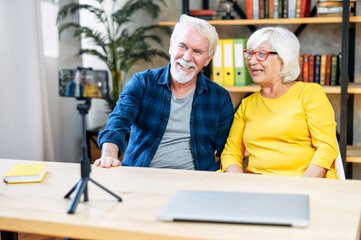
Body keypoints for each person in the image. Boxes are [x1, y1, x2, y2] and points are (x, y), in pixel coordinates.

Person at [94, 14, 234, 171]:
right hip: (142, 175)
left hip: (197, 181)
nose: (187, 57)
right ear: (171, 45)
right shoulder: (142, 83)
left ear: (208, 59)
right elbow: (118, 122)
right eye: (183, 46)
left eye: (197, 51)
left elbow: (229, 150)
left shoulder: (220, 98)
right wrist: (109, 155)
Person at [220, 26, 339, 178]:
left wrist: (302, 186)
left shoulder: (309, 93)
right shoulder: (247, 104)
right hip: (259, 188)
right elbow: (231, 153)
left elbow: (326, 147)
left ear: (283, 60)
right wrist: (242, 184)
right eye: (249, 53)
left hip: (304, 184)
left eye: (262, 54)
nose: (252, 60)